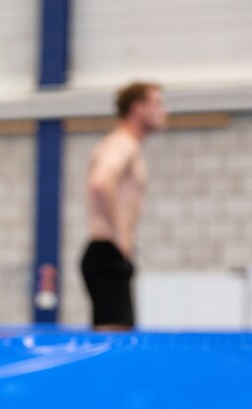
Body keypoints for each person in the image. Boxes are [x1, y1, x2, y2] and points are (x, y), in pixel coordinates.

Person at [81, 81, 169, 330]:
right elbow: (100, 183)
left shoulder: (124, 145)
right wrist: (122, 235)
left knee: (119, 339)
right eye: (158, 104)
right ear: (138, 108)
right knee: (114, 343)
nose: (165, 111)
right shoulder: (123, 144)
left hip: (108, 254)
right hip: (107, 253)